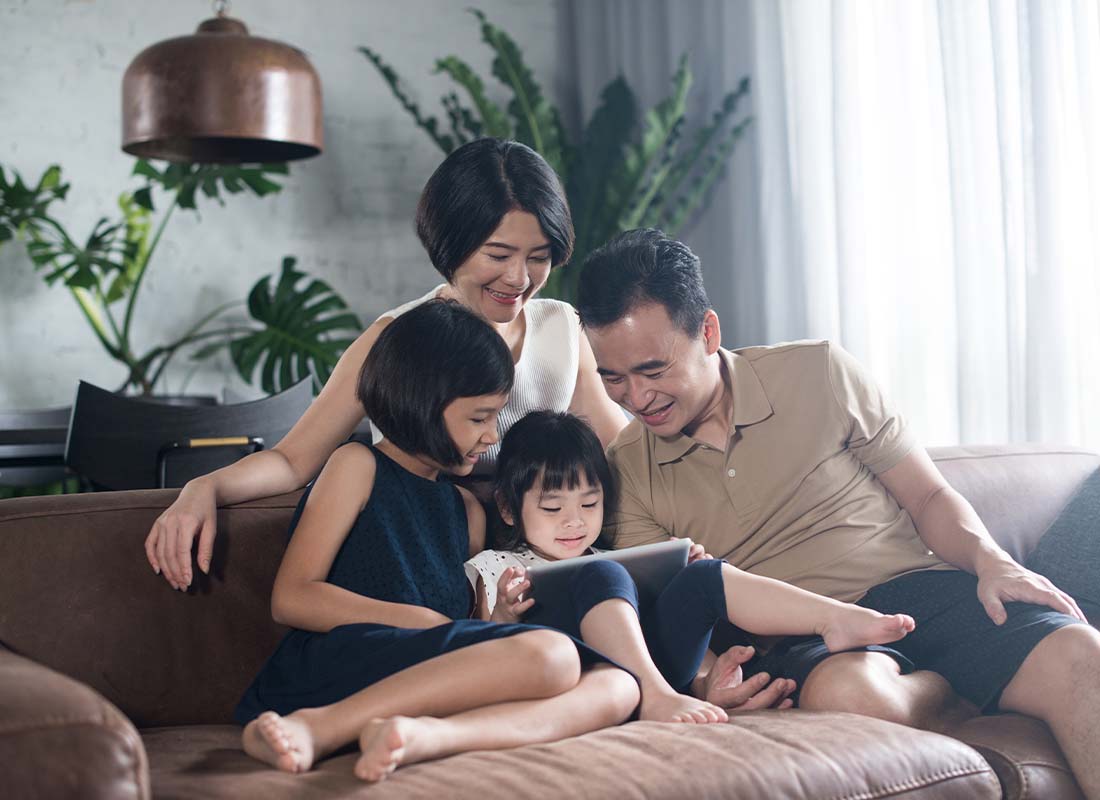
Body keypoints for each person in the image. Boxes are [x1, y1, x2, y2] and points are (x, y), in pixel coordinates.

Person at [574, 228, 1100, 799]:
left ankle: (961, 678)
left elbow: (926, 496)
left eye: (653, 370)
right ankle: (961, 688)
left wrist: (992, 560)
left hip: (917, 588)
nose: (636, 397)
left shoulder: (818, 372)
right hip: (803, 635)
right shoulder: (625, 470)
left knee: (1080, 653)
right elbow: (671, 604)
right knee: (853, 697)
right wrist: (709, 677)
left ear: (707, 331)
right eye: (613, 378)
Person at [145, 138, 626, 592]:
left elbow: (622, 455)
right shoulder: (398, 340)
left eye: (539, 258)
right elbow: (293, 460)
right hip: (434, 553)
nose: (519, 278)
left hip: (549, 557)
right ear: (450, 245)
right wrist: (203, 486)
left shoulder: (561, 328)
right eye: (497, 255)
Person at [236, 300, 638, 783]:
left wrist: (498, 620)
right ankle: (317, 726)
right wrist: (421, 622)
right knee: (553, 656)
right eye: (479, 418)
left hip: (426, 668)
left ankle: (419, 735)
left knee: (617, 685)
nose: (492, 436)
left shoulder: (465, 509)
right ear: (423, 405)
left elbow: (465, 628)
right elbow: (292, 597)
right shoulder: (356, 467)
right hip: (344, 659)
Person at [466, 410, 917, 724]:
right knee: (601, 576)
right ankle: (655, 697)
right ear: (507, 507)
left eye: (589, 503)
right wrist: (504, 615)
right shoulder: (495, 566)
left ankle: (833, 618)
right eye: (551, 507)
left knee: (698, 572)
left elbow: (672, 639)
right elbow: (473, 650)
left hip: (658, 673)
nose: (574, 521)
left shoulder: (609, 558)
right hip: (579, 675)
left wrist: (707, 684)